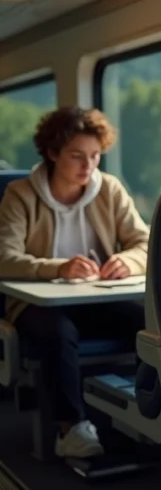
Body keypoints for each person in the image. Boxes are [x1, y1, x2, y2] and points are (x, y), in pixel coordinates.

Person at [0, 106, 150, 459]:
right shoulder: (20, 195)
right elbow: (4, 257)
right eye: (77, 156)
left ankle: (148, 410)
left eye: (96, 156)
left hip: (95, 300)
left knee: (147, 324)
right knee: (57, 332)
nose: (89, 166)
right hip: (36, 304)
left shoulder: (109, 190)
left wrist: (126, 262)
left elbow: (145, 243)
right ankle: (71, 429)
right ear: (52, 154)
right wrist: (58, 267)